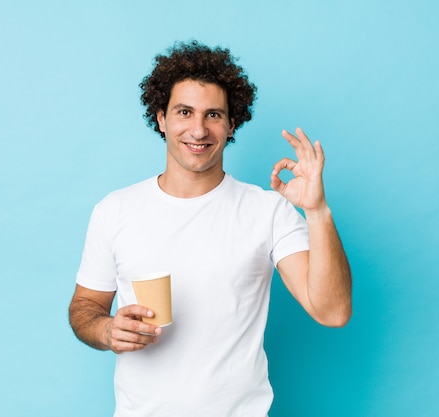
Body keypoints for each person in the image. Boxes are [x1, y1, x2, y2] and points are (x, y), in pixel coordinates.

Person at [68, 40, 352, 416]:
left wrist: (317, 211)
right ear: (161, 119)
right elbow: (85, 306)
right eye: (184, 111)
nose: (198, 130)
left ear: (232, 123)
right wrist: (106, 331)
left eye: (214, 115)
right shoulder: (115, 210)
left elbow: (332, 312)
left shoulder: (267, 210)